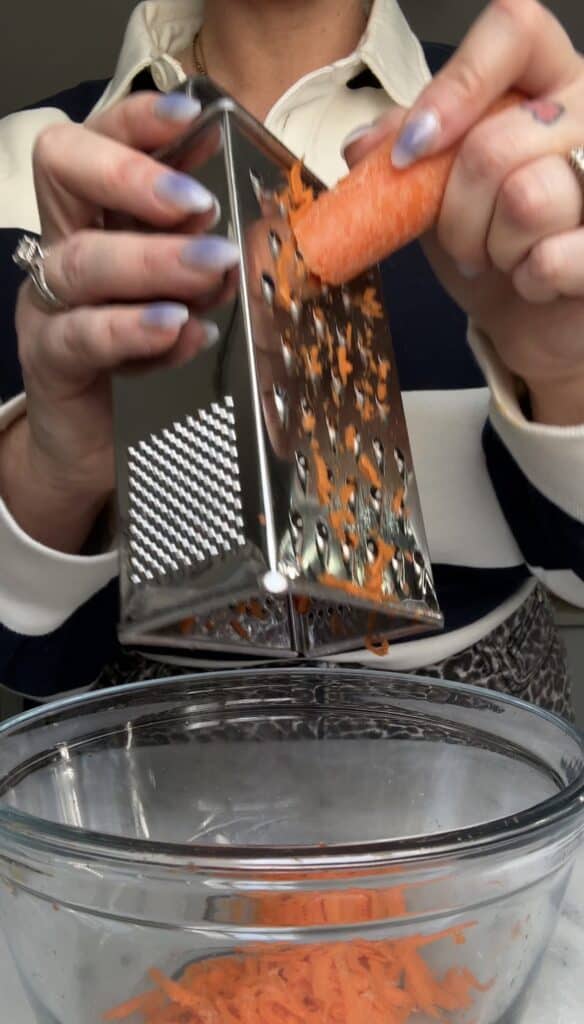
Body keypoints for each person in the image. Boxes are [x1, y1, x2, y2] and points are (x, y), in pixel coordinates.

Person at [0, 0, 582, 714]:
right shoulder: (28, 164)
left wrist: (565, 376)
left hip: (493, 771)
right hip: (138, 775)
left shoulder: (520, 138)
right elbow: (28, 659)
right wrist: (56, 472)